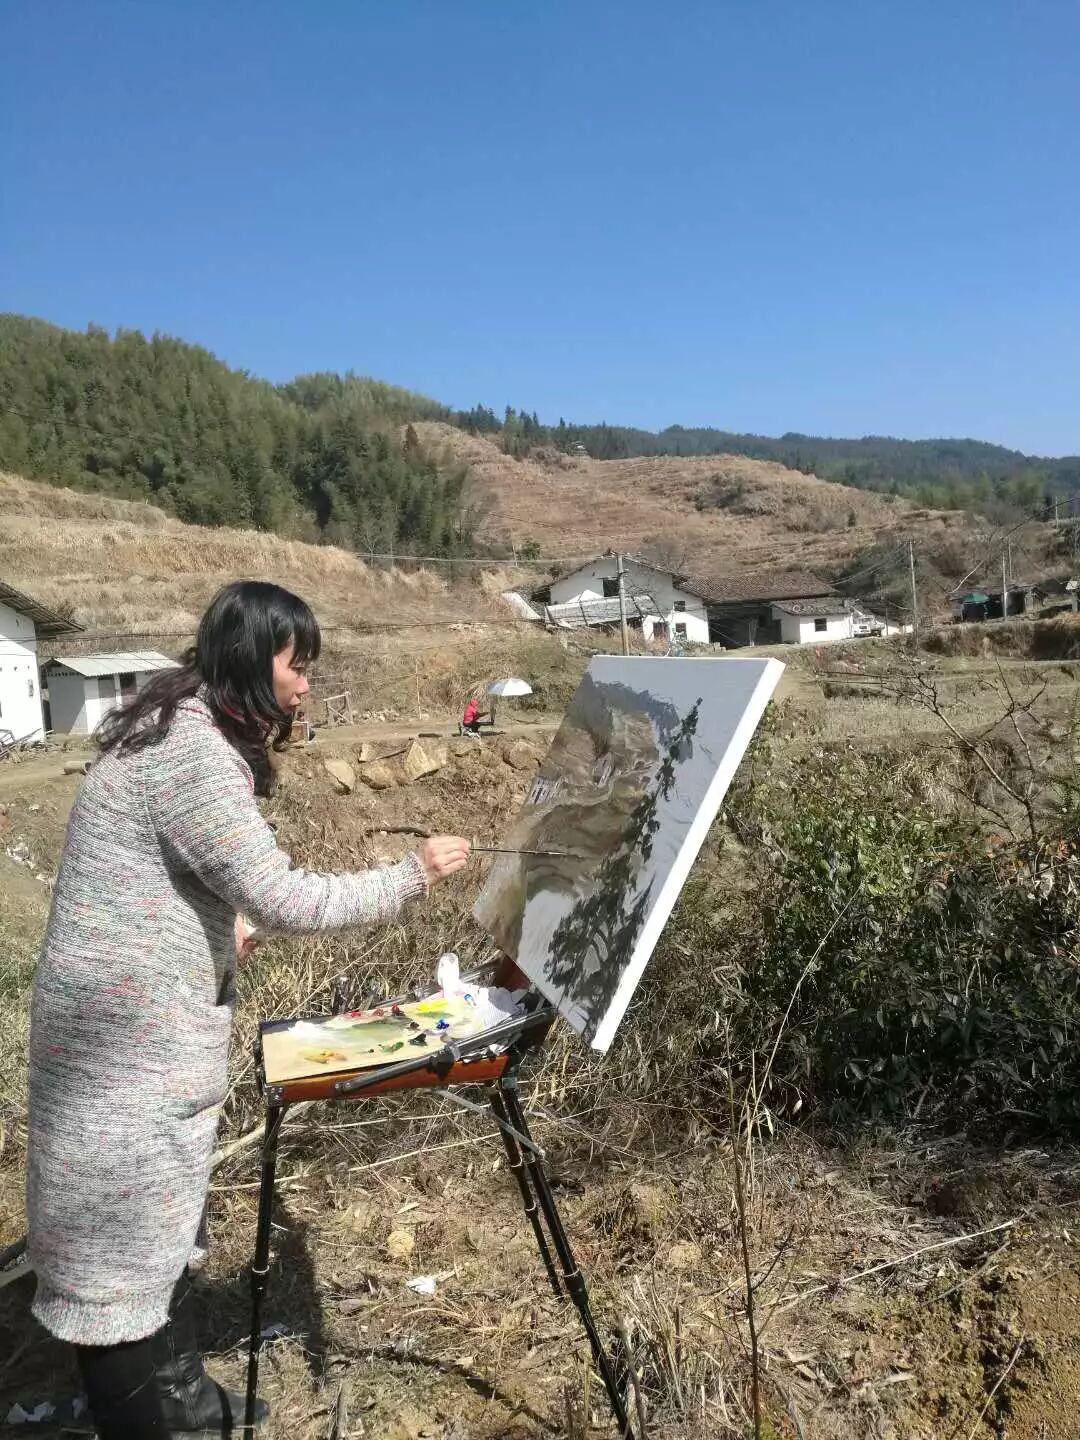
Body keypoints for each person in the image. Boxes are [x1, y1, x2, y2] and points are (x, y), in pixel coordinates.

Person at [25, 580, 470, 1438]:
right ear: (250, 659)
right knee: (115, 1280)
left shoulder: (176, 722)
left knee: (150, 1244)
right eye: (297, 665)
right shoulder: (193, 754)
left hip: (126, 1035)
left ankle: (184, 1401)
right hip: (122, 1053)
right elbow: (285, 897)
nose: (305, 684)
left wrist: (214, 933)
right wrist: (409, 876)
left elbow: (148, 887)